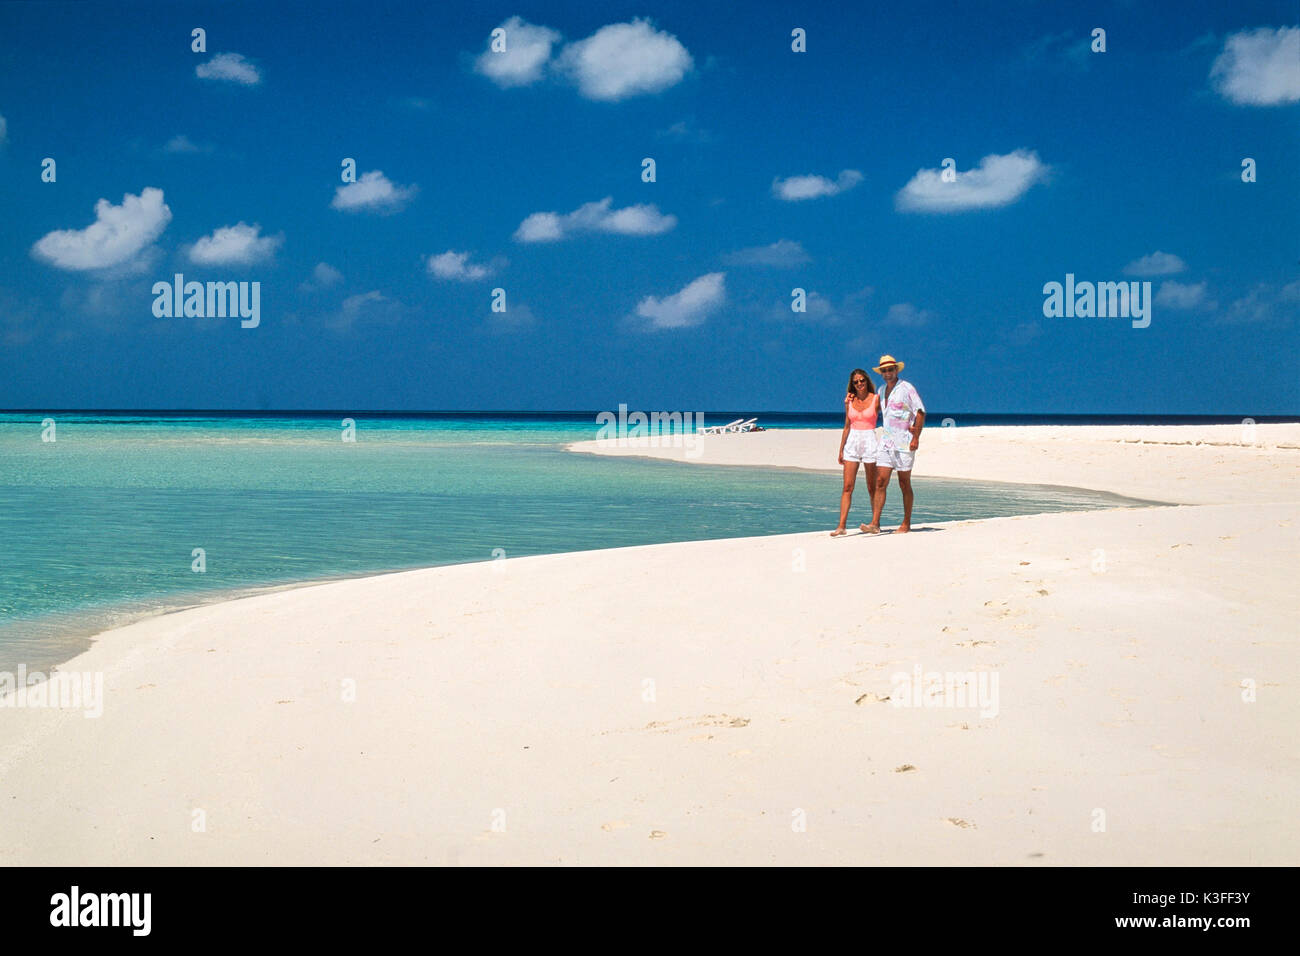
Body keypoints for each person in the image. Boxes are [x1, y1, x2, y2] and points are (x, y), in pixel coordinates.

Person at [861, 355, 925, 534]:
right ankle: (875, 523)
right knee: (880, 481)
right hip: (886, 443)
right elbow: (869, 407)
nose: (887, 373)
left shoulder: (907, 388)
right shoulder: (881, 391)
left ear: (896, 370)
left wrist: (916, 437)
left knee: (904, 483)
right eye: (884, 370)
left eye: (890, 369)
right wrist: (852, 398)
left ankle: (906, 524)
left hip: (904, 443)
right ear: (881, 373)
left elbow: (920, 412)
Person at [830, 368, 879, 536]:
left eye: (862, 380)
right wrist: (841, 449)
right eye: (856, 382)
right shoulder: (849, 401)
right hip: (852, 442)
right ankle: (841, 526)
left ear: (867, 381)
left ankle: (875, 523)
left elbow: (890, 415)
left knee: (871, 487)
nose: (859, 384)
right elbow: (846, 426)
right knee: (847, 486)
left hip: (870, 441)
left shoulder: (876, 399)